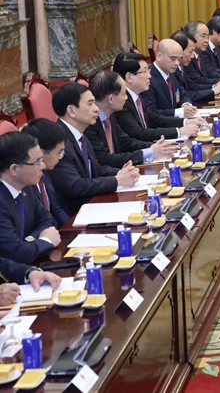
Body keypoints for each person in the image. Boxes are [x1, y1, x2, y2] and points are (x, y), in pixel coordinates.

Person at [48, 83, 140, 215]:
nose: (96, 109)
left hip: (93, 204)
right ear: (71, 111)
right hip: (75, 214)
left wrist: (122, 172)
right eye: (90, 104)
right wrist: (116, 180)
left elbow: (96, 169)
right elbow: (76, 186)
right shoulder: (58, 141)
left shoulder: (80, 134)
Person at [85, 70, 179, 167]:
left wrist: (154, 147)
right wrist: (149, 152)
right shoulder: (88, 124)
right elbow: (106, 159)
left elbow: (125, 142)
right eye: (123, 94)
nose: (126, 98)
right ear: (111, 99)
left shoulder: (109, 115)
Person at [113, 53, 203, 142]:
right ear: (129, 77)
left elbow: (153, 119)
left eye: (148, 70)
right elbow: (138, 133)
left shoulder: (136, 95)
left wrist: (185, 122)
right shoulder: (121, 101)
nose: (149, 76)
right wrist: (179, 131)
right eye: (144, 71)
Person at [0, 132, 61, 263]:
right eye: (37, 162)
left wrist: (29, 241)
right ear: (14, 169)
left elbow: (48, 221)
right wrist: (45, 241)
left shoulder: (26, 187)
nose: (43, 166)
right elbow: (15, 253)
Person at [19, 118, 71, 227]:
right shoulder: (25, 182)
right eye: (59, 152)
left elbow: (55, 208)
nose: (60, 157)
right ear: (41, 152)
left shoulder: (45, 171)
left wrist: (72, 228)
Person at [141, 39, 199, 118]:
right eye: (173, 58)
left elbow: (182, 93)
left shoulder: (171, 73)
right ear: (159, 56)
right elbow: (151, 113)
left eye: (179, 59)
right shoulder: (148, 78)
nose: (177, 63)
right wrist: (180, 112)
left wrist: (186, 104)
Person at [173, 31, 220, 100]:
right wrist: (213, 91)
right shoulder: (172, 70)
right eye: (190, 52)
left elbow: (192, 86)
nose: (192, 56)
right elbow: (184, 95)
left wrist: (214, 86)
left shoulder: (181, 67)